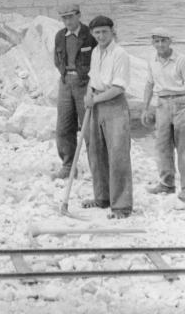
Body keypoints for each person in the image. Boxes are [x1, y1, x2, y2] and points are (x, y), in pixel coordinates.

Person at [142, 28, 185, 205]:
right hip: (162, 104)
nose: (160, 45)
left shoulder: (182, 61)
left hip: (181, 104)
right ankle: (167, 184)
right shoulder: (152, 61)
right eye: (156, 41)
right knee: (162, 147)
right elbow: (149, 85)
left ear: (170, 41)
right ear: (152, 42)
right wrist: (145, 108)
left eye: (163, 41)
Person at [82, 15, 133, 219]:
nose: (100, 36)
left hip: (114, 105)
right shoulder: (95, 52)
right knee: (96, 151)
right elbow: (93, 80)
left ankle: (121, 206)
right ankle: (102, 198)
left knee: (118, 155)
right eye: (97, 32)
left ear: (112, 31)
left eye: (104, 31)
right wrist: (88, 95)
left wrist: (95, 99)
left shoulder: (120, 54)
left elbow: (118, 88)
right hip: (96, 103)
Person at [53, 4, 96, 178]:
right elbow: (57, 59)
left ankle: (97, 167)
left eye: (70, 16)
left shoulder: (90, 35)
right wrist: (65, 73)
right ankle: (68, 165)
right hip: (65, 82)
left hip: (84, 83)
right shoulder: (60, 36)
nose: (67, 21)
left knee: (89, 127)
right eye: (64, 18)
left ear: (79, 15)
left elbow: (98, 60)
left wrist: (89, 82)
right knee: (63, 126)